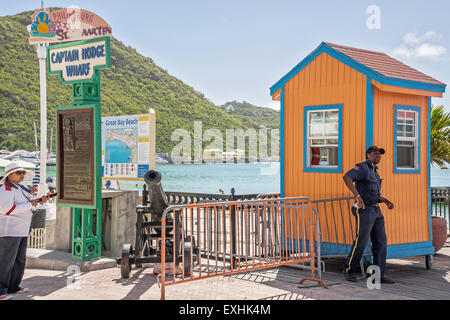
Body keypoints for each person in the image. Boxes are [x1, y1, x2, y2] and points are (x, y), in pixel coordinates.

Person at [342, 146, 395, 284]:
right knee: (361, 241)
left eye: (380, 154)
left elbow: (372, 192)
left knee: (381, 243)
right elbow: (347, 177)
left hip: (376, 210)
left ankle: (378, 275)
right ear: (368, 155)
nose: (378, 155)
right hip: (365, 210)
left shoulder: (375, 171)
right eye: (375, 153)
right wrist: (357, 196)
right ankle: (350, 270)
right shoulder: (363, 167)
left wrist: (384, 200)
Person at [0, 162, 48, 300]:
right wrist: (30, 204)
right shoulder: (6, 189)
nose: (22, 175)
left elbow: (24, 205)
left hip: (20, 229)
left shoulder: (18, 188)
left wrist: (36, 201)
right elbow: (6, 210)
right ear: (9, 175)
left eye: (22, 173)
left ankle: (13, 286)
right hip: (9, 230)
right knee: (6, 261)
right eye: (18, 173)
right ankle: (1, 290)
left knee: (19, 260)